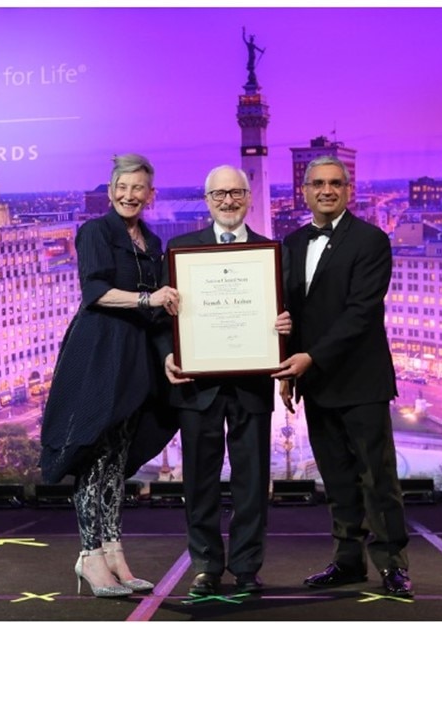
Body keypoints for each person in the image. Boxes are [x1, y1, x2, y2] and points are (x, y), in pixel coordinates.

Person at [272, 156, 413, 601]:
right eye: (317, 183)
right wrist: (288, 368)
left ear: (348, 189)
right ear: (305, 190)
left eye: (335, 183)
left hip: (361, 379)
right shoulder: (291, 243)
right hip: (315, 381)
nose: (326, 190)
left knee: (378, 478)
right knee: (336, 478)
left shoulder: (372, 240)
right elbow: (288, 316)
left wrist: (309, 358)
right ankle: (348, 561)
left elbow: (361, 313)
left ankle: (392, 563)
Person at [40, 154, 180, 598]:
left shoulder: (151, 241)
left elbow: (159, 310)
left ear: (150, 195)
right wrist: (150, 298)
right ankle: (88, 556)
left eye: (139, 187)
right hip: (99, 353)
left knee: (116, 461)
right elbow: (95, 291)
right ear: (110, 189)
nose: (129, 194)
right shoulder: (95, 232)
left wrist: (166, 354)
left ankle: (114, 551)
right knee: (94, 459)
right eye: (123, 185)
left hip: (133, 357)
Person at [162, 165, 291, 597]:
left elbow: (290, 310)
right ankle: (205, 565)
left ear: (249, 197)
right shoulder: (180, 249)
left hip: (252, 382)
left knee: (251, 483)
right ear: (207, 200)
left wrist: (287, 326)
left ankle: (247, 566)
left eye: (236, 193)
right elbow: (166, 318)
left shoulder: (271, 252)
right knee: (199, 482)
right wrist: (168, 353)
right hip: (198, 386)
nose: (228, 201)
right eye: (219, 195)